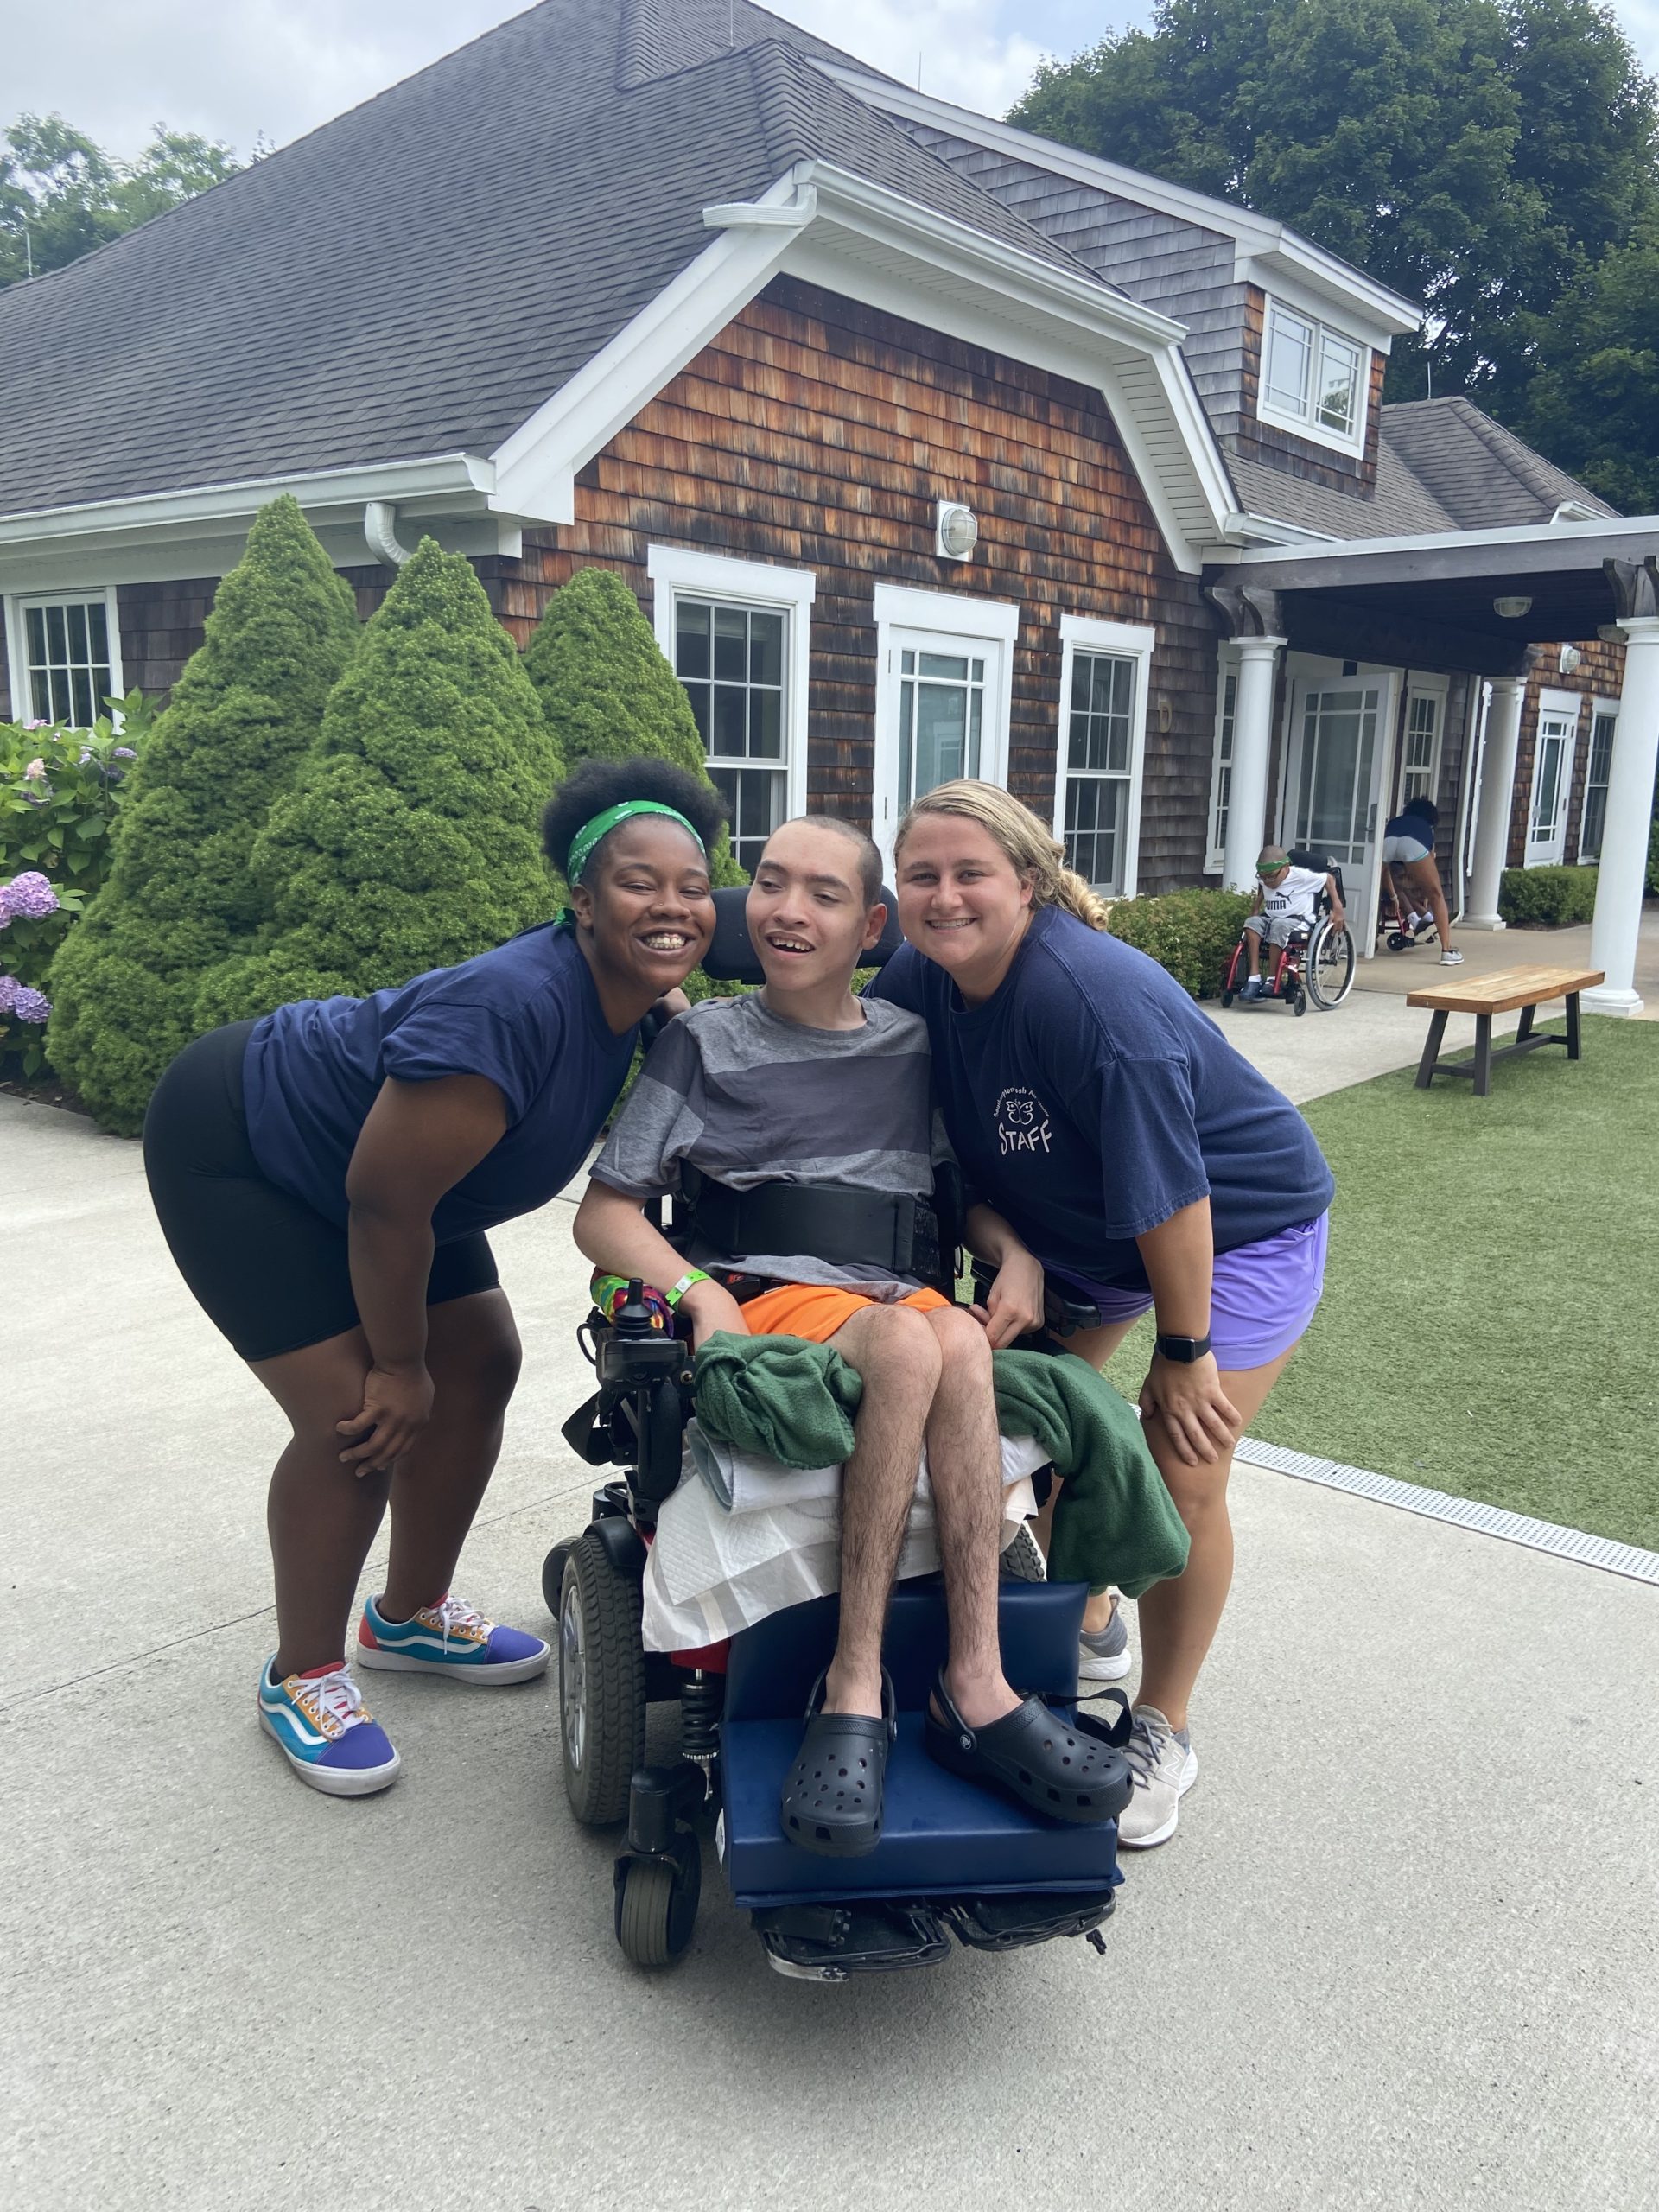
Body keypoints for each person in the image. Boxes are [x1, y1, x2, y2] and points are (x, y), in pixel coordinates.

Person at [143, 758, 726, 1796]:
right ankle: (301, 1672)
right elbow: (383, 1203)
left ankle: (405, 1620)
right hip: (250, 1152)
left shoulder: (637, 986)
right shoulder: (511, 1009)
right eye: (640, 883)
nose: (672, 904)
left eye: (692, 885)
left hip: (400, 1185)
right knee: (361, 1423)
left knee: (485, 1361)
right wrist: (400, 1363)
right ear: (581, 902)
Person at [573, 815, 1125, 1857]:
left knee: (953, 1340)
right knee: (926, 1343)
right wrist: (700, 1294)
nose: (787, 909)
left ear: (872, 925)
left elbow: (954, 1200)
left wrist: (1014, 1253)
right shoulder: (703, 1041)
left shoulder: (909, 1046)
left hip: (892, 1301)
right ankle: (856, 1683)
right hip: (769, 1300)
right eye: (771, 884)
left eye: (823, 894)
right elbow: (604, 1215)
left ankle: (978, 1680)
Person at [868, 780, 1335, 1848]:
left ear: (1027, 882)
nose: (945, 896)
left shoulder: (1090, 1003)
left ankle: (1164, 1722)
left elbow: (1176, 1197)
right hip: (1079, 1235)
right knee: (1014, 1433)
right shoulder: (920, 973)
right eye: (922, 875)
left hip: (1230, 1235)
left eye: (971, 872)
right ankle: (1087, 1618)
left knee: (1180, 1466)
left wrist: (1184, 1349)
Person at [1238, 845, 1344, 1000]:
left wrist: (1337, 906)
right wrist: (1255, 908)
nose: (1267, 881)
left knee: (1278, 926)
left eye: (1271, 876)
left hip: (1297, 921)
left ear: (1286, 867)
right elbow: (1263, 889)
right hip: (1271, 918)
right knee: (1252, 923)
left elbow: (1328, 879)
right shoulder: (1266, 879)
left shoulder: (1300, 876)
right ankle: (1254, 977)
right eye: (1263, 877)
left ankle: (1273, 979)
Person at [1381, 797, 1461, 965]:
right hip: (1414, 845)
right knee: (1436, 895)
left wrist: (1393, 897)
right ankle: (1447, 951)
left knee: (1394, 884)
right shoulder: (1425, 828)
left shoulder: (1396, 822)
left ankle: (1417, 920)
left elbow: (1386, 872)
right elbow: (1430, 861)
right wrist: (1426, 896)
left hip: (1388, 842)